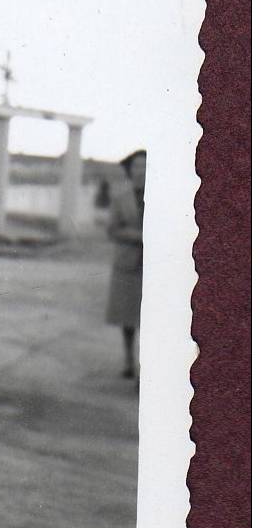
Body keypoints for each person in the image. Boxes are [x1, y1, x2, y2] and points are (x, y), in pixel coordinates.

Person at [105, 149, 146, 378]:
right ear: (130, 171)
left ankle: (145, 366)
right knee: (127, 317)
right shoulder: (120, 198)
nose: (141, 172)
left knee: (149, 318)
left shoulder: (161, 198)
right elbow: (112, 230)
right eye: (136, 167)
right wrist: (140, 237)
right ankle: (129, 360)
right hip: (126, 265)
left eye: (145, 167)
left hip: (153, 266)